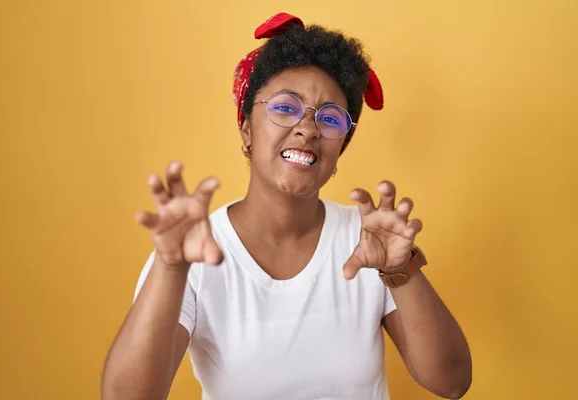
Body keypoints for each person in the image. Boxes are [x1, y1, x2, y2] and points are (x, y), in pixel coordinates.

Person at [101, 12, 472, 400]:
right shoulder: (191, 252)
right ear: (246, 129)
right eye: (284, 107)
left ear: (338, 149)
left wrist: (402, 271)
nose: (308, 128)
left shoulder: (370, 245)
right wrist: (171, 267)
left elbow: (451, 382)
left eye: (330, 118)